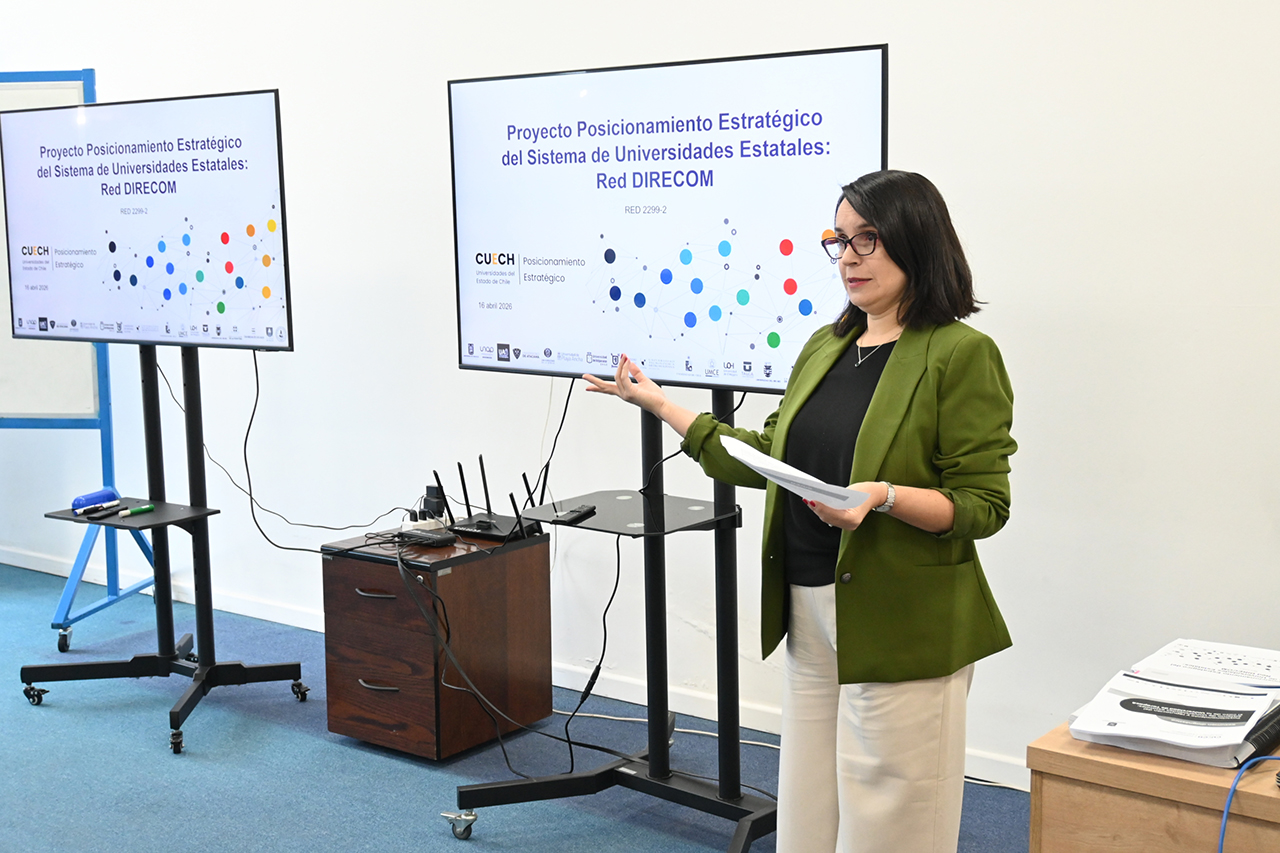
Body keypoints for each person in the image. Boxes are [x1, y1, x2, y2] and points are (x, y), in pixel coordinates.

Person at [584, 170, 1016, 853]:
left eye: (867, 238)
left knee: (890, 816)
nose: (847, 257)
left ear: (916, 239)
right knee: (809, 808)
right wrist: (660, 403)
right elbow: (767, 456)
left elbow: (983, 504)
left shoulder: (961, 354)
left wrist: (882, 496)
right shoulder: (826, 346)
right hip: (808, 605)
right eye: (838, 240)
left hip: (902, 618)